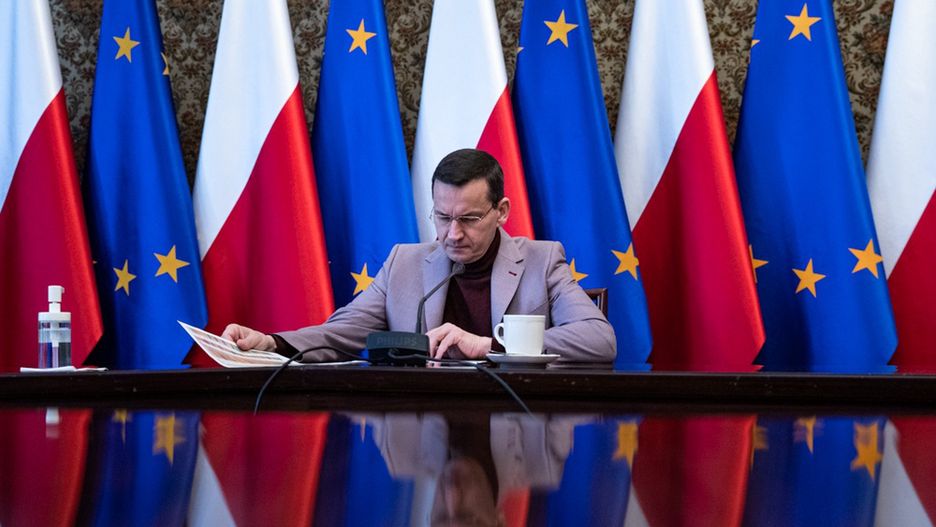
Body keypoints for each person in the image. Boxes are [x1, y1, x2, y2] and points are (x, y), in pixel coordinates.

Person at [222, 148, 615, 363]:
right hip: (421, 433)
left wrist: (492, 346)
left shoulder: (542, 261)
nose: (453, 234)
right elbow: (339, 334)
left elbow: (600, 339)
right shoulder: (403, 264)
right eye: (442, 217)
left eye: (469, 219)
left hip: (517, 433)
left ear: (502, 212)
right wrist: (271, 343)